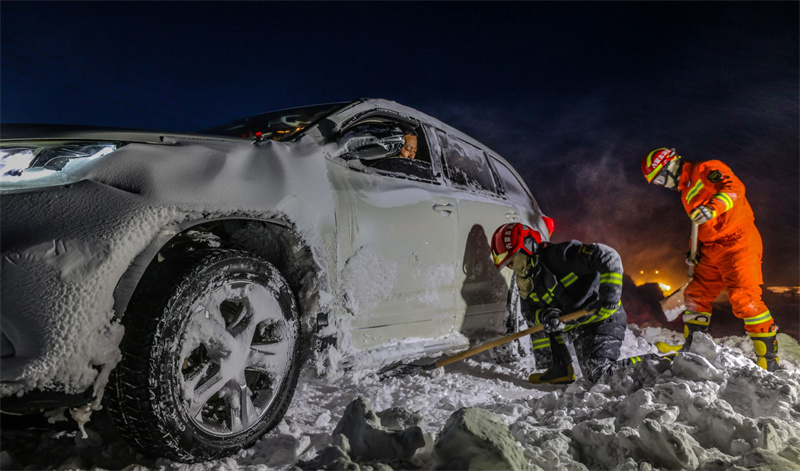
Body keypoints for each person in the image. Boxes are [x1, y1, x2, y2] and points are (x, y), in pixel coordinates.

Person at [641, 148, 779, 371]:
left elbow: (735, 189)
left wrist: (712, 208)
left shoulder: (706, 169)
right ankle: (693, 348)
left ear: (669, 166)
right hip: (711, 248)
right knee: (696, 295)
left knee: (744, 297)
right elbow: (700, 226)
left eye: (658, 178)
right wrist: (693, 250)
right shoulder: (686, 193)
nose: (659, 184)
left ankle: (768, 360)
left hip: (738, 241)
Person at [490, 223, 663, 383]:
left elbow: (609, 256)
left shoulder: (562, 256)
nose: (511, 267)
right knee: (540, 323)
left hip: (601, 319)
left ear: (527, 247)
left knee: (599, 375)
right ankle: (558, 370)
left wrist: (610, 296)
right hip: (576, 327)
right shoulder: (526, 281)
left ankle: (660, 363)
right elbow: (528, 312)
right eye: (507, 264)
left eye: (512, 259)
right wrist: (544, 316)